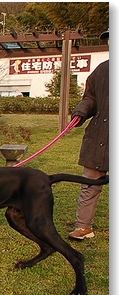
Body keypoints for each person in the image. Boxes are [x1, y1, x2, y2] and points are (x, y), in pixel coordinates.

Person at [68, 29, 109, 240]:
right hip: (100, 136)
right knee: (89, 185)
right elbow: (90, 98)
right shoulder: (102, 70)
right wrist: (81, 112)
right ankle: (84, 227)